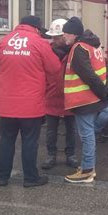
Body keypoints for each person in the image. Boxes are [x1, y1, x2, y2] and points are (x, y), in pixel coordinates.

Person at [0, 15, 61, 187]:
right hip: (31, 104)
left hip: (7, 104)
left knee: (6, 140)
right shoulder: (39, 43)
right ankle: (30, 178)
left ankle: (2, 176)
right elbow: (55, 68)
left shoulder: (3, 42)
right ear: (37, 28)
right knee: (29, 141)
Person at [62, 17, 108, 184]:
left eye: (65, 33)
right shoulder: (93, 45)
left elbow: (88, 75)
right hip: (93, 98)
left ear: (73, 34)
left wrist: (103, 93)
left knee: (86, 135)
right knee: (88, 134)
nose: (63, 37)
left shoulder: (78, 48)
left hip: (84, 100)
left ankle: (87, 170)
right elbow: (104, 68)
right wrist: (104, 93)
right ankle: (87, 167)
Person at [41, 18, 78, 170]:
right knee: (51, 130)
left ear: (65, 36)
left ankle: (71, 155)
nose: (53, 40)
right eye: (53, 37)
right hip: (52, 95)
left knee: (71, 129)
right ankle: (51, 155)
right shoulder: (47, 51)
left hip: (70, 96)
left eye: (56, 37)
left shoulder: (76, 51)